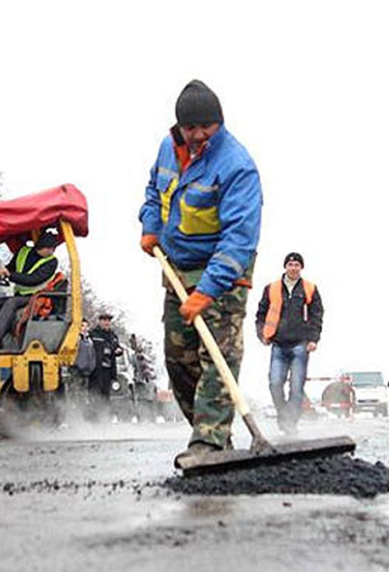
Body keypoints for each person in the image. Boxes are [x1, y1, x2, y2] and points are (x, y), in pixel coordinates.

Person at [138, 80, 262, 463]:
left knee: (218, 357)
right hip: (178, 269)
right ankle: (215, 441)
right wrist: (150, 227)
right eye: (190, 127)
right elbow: (154, 191)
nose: (197, 135)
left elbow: (239, 238)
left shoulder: (237, 166)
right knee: (178, 359)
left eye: (205, 127)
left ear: (218, 122)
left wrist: (207, 290)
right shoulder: (168, 148)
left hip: (223, 274)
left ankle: (208, 442)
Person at [255, 252, 324, 435]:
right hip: (278, 344)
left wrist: (313, 339)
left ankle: (290, 423)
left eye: (297, 265)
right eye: (290, 264)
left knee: (296, 387)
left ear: (301, 267)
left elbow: (317, 315)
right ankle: (283, 416)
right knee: (275, 383)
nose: (293, 268)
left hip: (301, 345)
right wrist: (262, 334)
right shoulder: (272, 288)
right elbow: (261, 314)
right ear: (285, 266)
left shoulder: (309, 288)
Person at [0, 231, 60, 349]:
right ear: (43, 246)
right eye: (51, 248)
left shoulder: (51, 262)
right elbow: (11, 268)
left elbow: (33, 280)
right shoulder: (23, 252)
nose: (52, 251)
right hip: (20, 295)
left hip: (36, 297)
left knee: (11, 302)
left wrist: (9, 275)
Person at [88, 313, 123, 420]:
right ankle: (94, 419)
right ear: (100, 321)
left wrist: (119, 351)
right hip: (96, 370)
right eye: (104, 320)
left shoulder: (113, 335)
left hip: (108, 370)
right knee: (94, 394)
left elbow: (117, 347)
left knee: (106, 395)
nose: (106, 323)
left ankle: (105, 418)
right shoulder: (93, 334)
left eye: (108, 321)